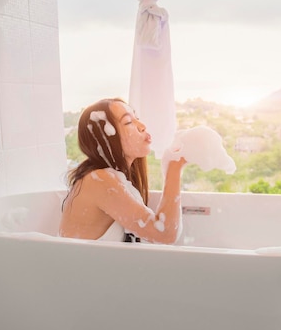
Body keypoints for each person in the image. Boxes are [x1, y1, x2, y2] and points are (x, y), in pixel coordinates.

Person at [59, 98, 186, 244]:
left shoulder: (113, 179)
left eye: (137, 118)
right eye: (128, 122)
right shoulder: (98, 180)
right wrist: (174, 167)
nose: (142, 126)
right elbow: (165, 235)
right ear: (105, 138)